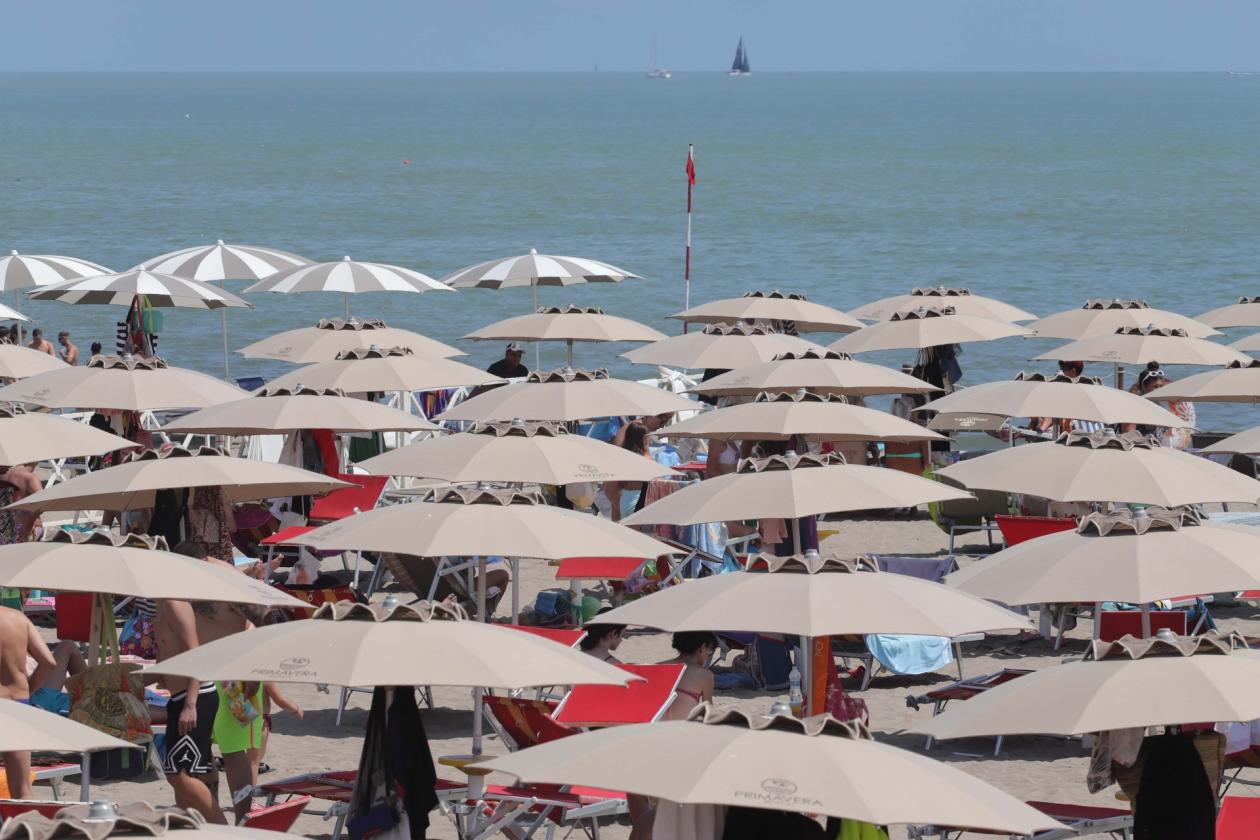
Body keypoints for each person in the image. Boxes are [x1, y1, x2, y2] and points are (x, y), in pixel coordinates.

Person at [172, 541, 274, 824]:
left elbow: (266, 620)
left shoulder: (229, 581)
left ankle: (243, 818)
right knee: (200, 749)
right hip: (198, 674)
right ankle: (210, 814)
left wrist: (254, 672)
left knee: (234, 751)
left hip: (233, 677)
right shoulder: (183, 577)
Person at [154, 576, 225, 824]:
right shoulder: (160, 606)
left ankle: (222, 830)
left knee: (178, 774)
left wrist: (190, 704)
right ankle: (193, 827)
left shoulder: (175, 604)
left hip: (196, 697)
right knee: (187, 777)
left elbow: (196, 653)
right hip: (180, 698)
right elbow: (167, 658)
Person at [0, 606, 59, 799]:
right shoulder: (18, 618)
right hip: (18, 704)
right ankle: (24, 819)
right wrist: (27, 691)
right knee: (22, 790)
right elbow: (49, 662)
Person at [1129, 363, 1195, 450]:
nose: (1159, 389)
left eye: (1160, 386)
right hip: (1141, 448)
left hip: (1159, 448)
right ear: (1144, 387)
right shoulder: (1133, 405)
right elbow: (1129, 435)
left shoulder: (1162, 405)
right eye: (1155, 386)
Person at [604, 422, 650, 522]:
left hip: (625, 499)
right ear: (643, 439)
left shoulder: (623, 459)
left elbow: (610, 487)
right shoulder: (646, 459)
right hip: (638, 500)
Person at [0, 465, 43, 545]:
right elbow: (43, 503)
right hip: (23, 531)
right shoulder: (30, 478)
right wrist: (30, 523)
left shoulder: (3, 472)